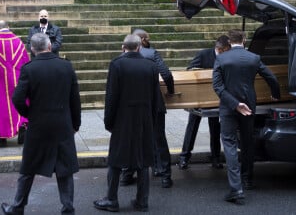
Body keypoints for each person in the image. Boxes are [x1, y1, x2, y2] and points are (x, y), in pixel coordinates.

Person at [1, 33, 81, 215]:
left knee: (28, 168)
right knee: (64, 169)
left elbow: (17, 98)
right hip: (62, 124)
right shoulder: (66, 66)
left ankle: (18, 206)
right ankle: (68, 208)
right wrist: (75, 124)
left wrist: (30, 114)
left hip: (38, 126)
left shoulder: (29, 68)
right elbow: (75, 99)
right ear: (50, 46)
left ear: (32, 49)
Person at [212, 29, 280, 204]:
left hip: (228, 107)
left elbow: (218, 87)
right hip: (249, 105)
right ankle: (248, 179)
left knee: (229, 143)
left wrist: (235, 104)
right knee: (247, 142)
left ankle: (236, 189)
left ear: (228, 41)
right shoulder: (254, 58)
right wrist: (276, 94)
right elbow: (271, 78)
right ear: (244, 39)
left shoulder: (221, 58)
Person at [93, 34, 159, 213]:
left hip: (122, 119)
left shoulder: (117, 64)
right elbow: (155, 98)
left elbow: (111, 97)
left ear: (123, 47)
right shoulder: (151, 66)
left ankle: (111, 199)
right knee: (143, 159)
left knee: (115, 160)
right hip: (144, 120)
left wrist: (109, 122)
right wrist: (151, 120)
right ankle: (142, 200)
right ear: (139, 47)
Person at [120, 28, 175, 188]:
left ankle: (127, 174)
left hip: (131, 106)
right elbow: (166, 73)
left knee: (132, 139)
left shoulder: (121, 58)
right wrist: (170, 91)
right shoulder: (152, 54)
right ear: (142, 41)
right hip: (153, 103)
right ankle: (165, 176)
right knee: (159, 139)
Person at [178, 35, 231, 170]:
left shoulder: (227, 56)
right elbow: (190, 70)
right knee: (192, 126)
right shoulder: (203, 54)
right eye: (225, 50)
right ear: (220, 48)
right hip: (200, 98)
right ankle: (184, 157)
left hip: (215, 98)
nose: (227, 53)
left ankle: (215, 158)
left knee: (215, 128)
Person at [0, 20, 30, 146]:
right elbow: (26, 62)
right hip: (17, 81)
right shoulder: (18, 42)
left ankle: (1, 138)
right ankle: (22, 128)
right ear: (8, 27)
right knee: (19, 102)